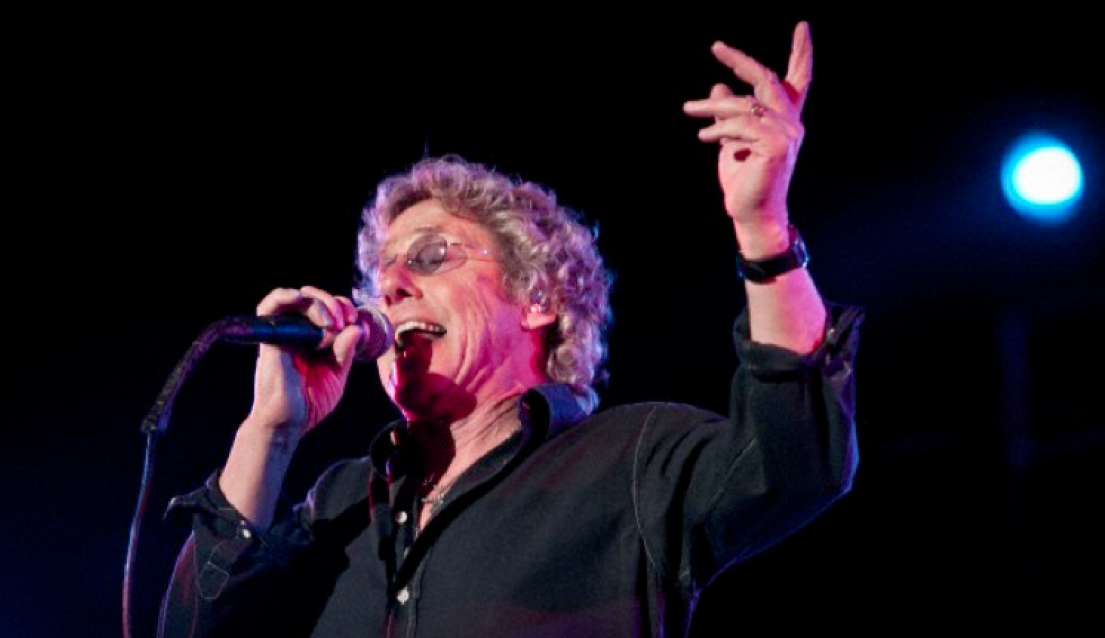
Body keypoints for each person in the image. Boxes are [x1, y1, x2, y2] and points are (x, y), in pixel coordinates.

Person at [156, 20, 864, 638]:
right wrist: (271, 430)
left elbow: (795, 463)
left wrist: (763, 230)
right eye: (379, 276)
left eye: (429, 257)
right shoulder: (340, 505)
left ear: (537, 297)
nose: (391, 287)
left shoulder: (631, 460)